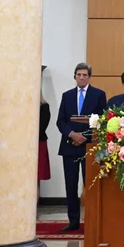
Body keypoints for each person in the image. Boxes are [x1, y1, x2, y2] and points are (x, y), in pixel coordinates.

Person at [56, 62, 107, 231]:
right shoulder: (67, 95)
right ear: (75, 76)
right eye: (79, 75)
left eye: (85, 75)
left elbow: (101, 120)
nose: (82, 77)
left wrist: (84, 137)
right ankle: (73, 222)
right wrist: (72, 134)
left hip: (89, 146)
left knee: (90, 185)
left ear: (89, 77)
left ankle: (92, 221)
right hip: (70, 145)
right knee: (70, 185)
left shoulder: (99, 95)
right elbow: (61, 121)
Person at [38, 90, 51, 185]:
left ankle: (36, 200)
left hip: (39, 142)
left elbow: (41, 128)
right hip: (25, 144)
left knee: (38, 176)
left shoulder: (44, 107)